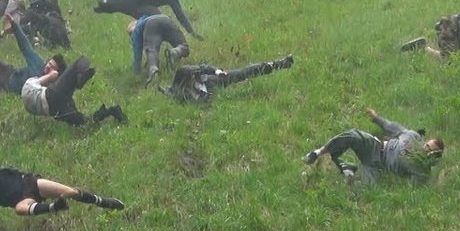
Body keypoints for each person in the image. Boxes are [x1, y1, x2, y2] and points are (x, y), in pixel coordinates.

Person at [0, 156, 124, 223]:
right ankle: (56, 207)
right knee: (20, 209)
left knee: (72, 192)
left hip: (30, 183)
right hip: (22, 199)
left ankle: (103, 201)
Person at [303, 108, 445, 185]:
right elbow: (393, 127)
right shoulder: (412, 137)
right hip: (376, 147)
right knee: (353, 135)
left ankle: (347, 169)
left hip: (378, 166)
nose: (426, 149)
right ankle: (318, 153)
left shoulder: (421, 171)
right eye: (427, 145)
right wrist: (376, 118)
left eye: (430, 151)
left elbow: (411, 186)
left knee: (361, 189)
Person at [21, 54, 126, 127]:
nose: (48, 67)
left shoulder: (37, 83)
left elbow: (62, 96)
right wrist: (51, 76)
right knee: (82, 59)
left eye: (52, 67)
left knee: (86, 122)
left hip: (55, 110)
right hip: (53, 105)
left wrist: (51, 76)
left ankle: (112, 111)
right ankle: (79, 80)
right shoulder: (32, 82)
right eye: (48, 63)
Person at [160, 55, 293, 103]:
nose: (194, 78)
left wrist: (217, 71)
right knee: (241, 79)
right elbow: (205, 102)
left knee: (244, 72)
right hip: (214, 87)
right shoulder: (184, 95)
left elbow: (203, 67)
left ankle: (279, 64)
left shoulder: (188, 73)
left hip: (217, 79)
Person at [128, 15, 191, 85]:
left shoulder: (136, 30)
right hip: (166, 20)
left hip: (151, 25)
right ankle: (176, 51)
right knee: (184, 46)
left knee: (152, 52)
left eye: (130, 34)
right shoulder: (145, 18)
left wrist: (137, 72)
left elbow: (137, 53)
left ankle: (154, 72)